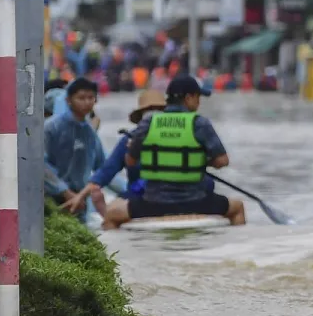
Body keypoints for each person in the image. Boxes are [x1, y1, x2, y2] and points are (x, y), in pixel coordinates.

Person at [106, 74, 246, 227]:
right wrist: (200, 161)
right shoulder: (200, 123)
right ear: (188, 98)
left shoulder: (148, 122)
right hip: (196, 202)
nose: (199, 103)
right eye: (197, 97)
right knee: (238, 207)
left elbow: (130, 161)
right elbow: (222, 161)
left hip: (152, 203)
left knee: (111, 214)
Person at [63, 89, 177, 215]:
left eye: (158, 109)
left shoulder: (178, 137)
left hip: (175, 195)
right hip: (139, 196)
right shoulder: (129, 140)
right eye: (149, 110)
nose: (154, 114)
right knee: (106, 206)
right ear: (141, 117)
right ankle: (108, 217)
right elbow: (106, 171)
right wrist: (80, 195)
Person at [43, 78, 106, 216]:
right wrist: (64, 191)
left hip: (79, 202)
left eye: (91, 98)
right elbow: (40, 164)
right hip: (52, 200)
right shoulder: (51, 127)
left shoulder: (90, 132)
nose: (87, 102)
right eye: (81, 98)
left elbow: (103, 167)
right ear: (68, 101)